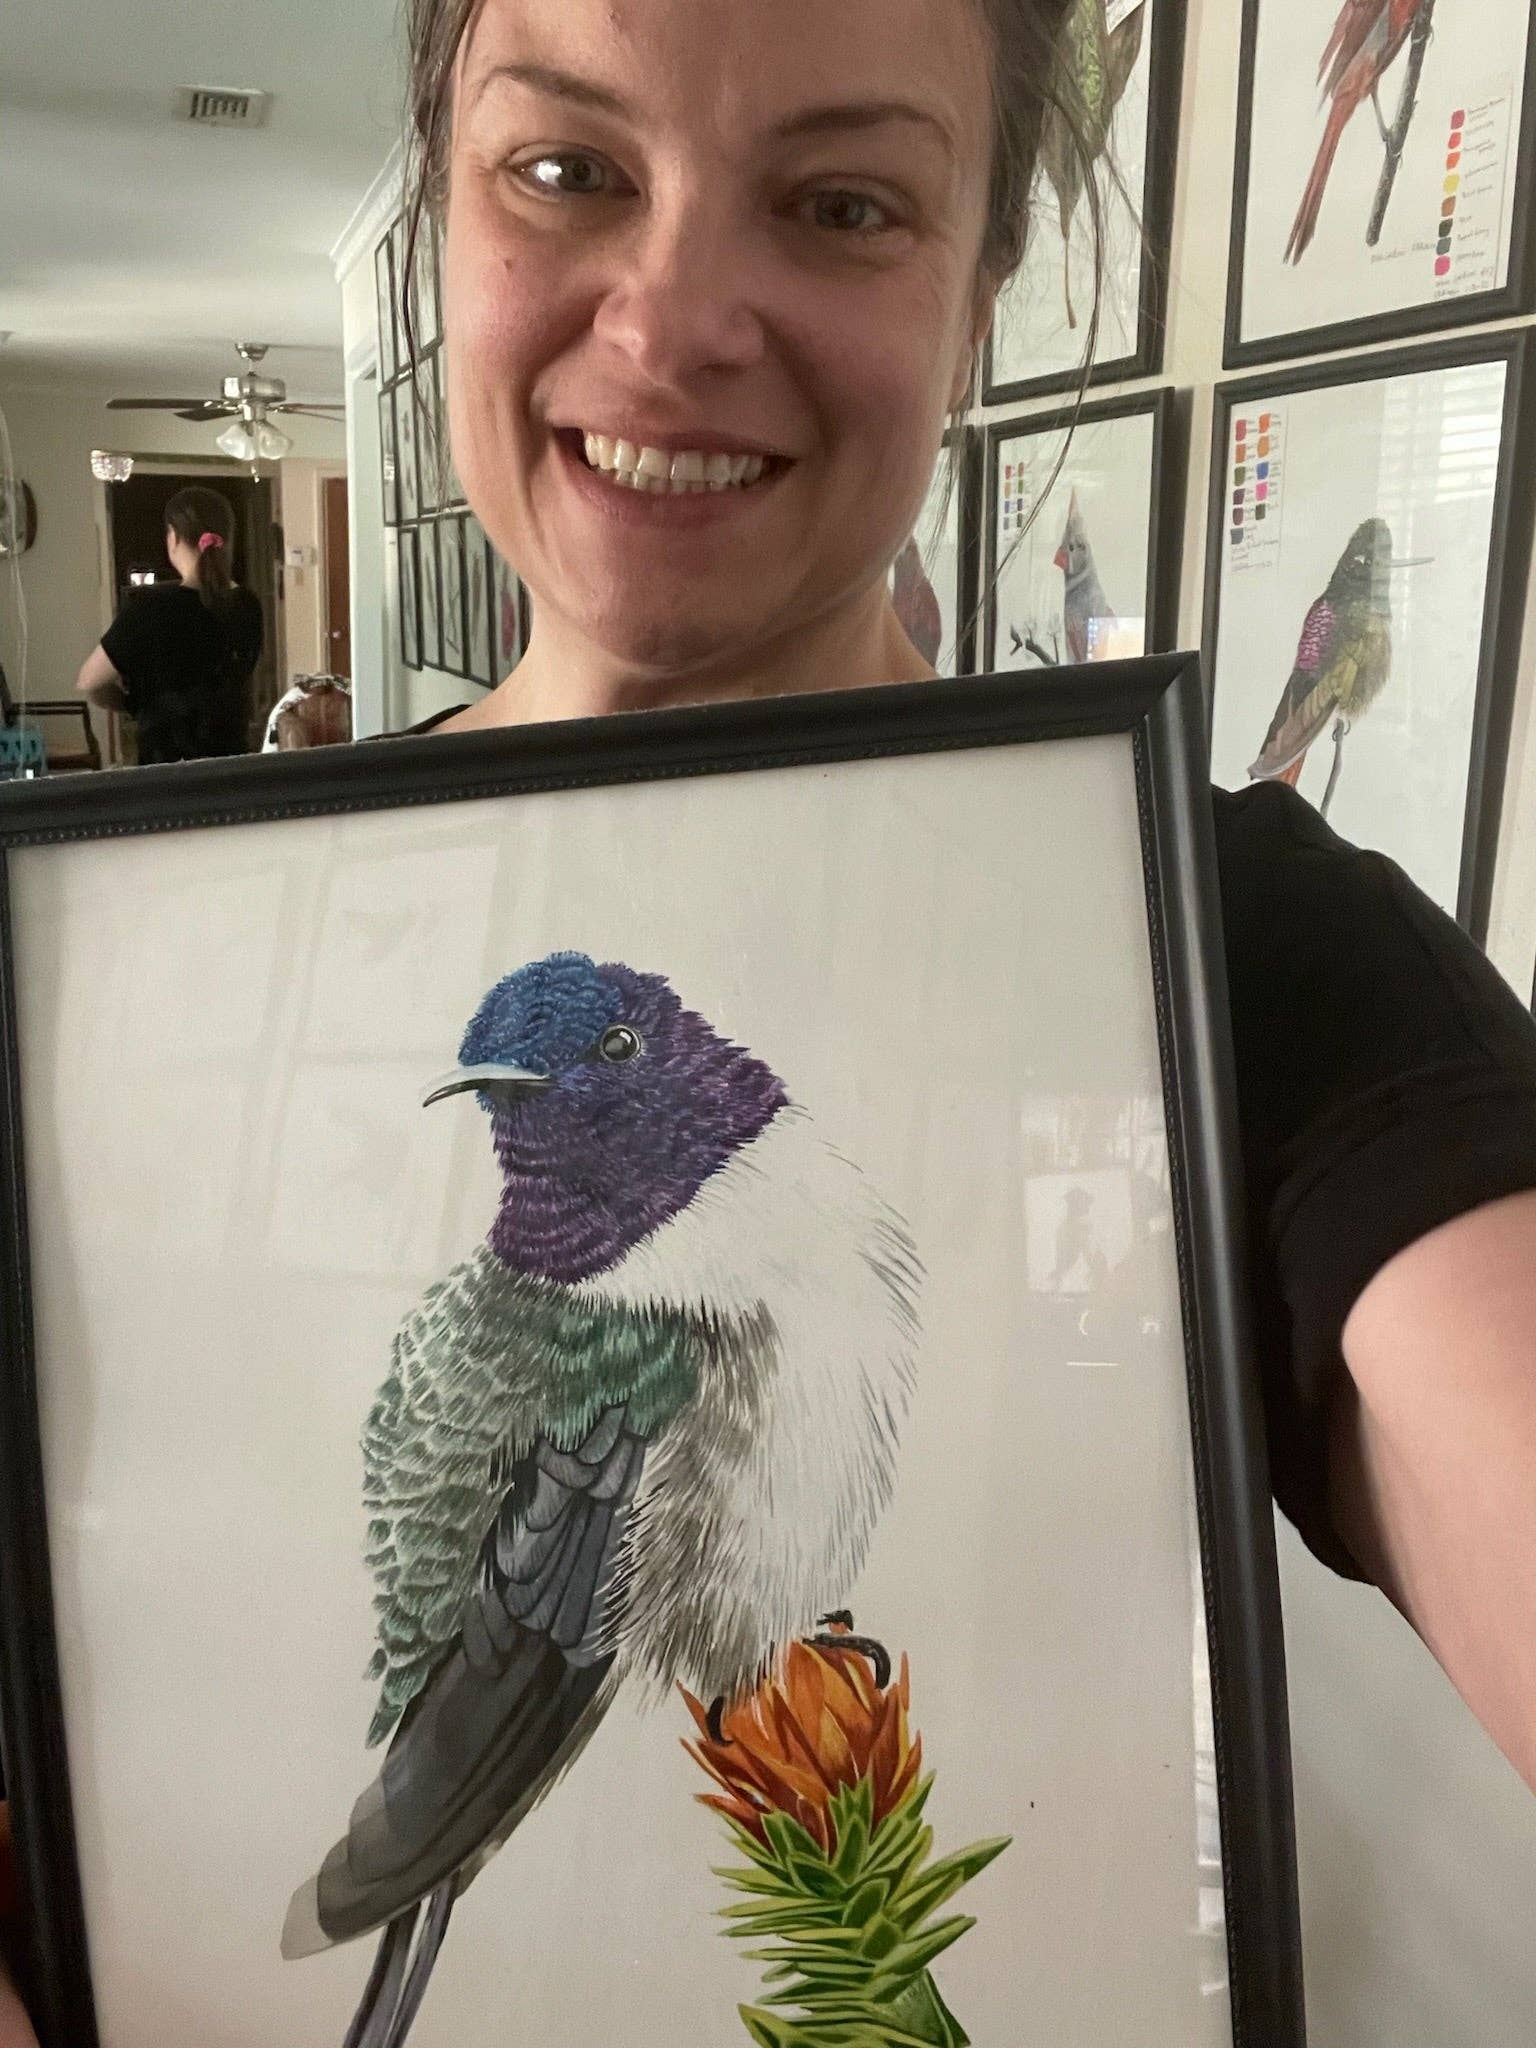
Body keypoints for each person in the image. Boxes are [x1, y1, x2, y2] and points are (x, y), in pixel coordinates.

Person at [375, 0, 1536, 1798]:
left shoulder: (1243, 957)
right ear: (443, 219)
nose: (673, 324)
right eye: (564, 168)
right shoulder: (171, 960)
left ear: (978, 292)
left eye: (844, 205)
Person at [74, 486, 263, 763]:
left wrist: (137, 704)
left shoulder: (149, 607)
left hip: (166, 766)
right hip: (232, 759)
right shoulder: (248, 606)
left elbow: (89, 681)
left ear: (173, 537)